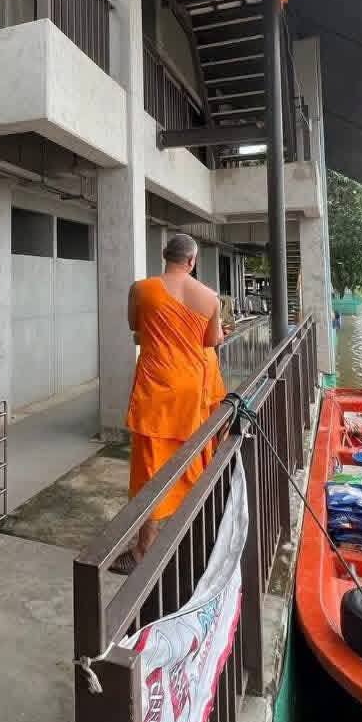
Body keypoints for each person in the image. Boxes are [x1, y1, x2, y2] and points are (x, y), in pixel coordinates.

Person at [118, 234, 223, 572]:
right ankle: (195, 531)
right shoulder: (210, 298)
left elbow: (135, 326)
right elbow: (211, 340)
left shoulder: (141, 289)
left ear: (165, 255)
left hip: (155, 390)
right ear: (192, 261)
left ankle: (143, 549)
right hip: (193, 391)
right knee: (193, 458)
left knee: (152, 467)